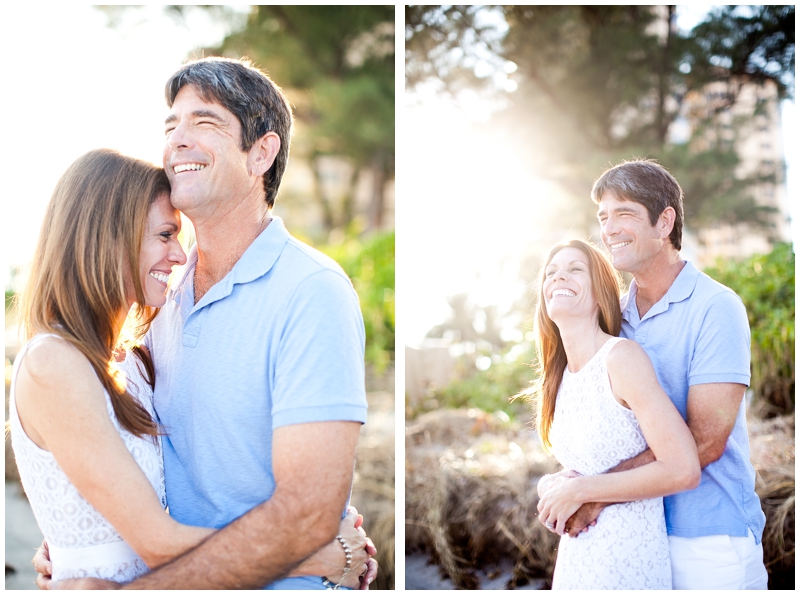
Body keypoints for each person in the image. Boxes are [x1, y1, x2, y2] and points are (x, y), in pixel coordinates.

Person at [12, 149, 373, 588]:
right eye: (165, 235)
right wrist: (314, 555)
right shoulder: (52, 363)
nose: (179, 257)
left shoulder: (131, 360)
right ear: (107, 237)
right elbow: (158, 542)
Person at [556, 159, 768, 590]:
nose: (609, 228)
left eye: (625, 213)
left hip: (707, 536)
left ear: (664, 221)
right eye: (603, 217)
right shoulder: (614, 316)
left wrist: (592, 492)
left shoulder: (715, 307)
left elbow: (705, 441)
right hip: (635, 533)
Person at [531, 239, 700, 589]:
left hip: (627, 563)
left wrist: (579, 492)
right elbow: (589, 463)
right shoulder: (557, 377)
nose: (558, 277)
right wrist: (552, 485)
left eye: (575, 269)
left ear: (600, 293)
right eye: (551, 272)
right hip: (577, 562)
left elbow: (683, 468)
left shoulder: (621, 358)